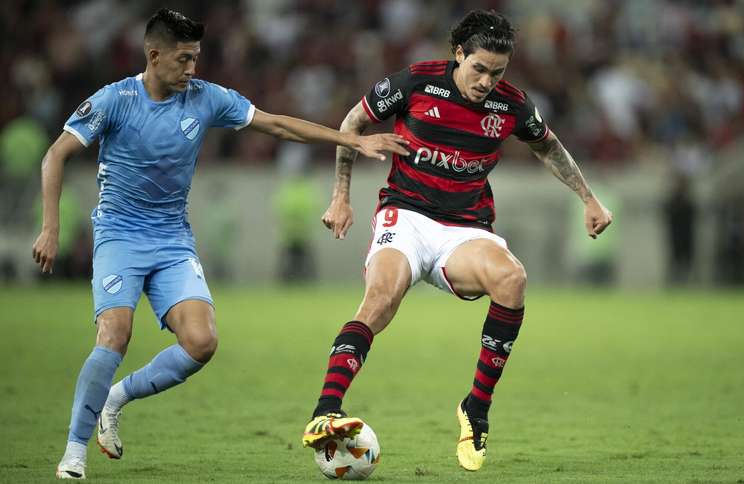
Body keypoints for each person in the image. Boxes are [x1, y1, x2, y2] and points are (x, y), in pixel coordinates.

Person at [32, 9, 408, 480]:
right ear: (155, 55)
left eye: (197, 58)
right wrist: (50, 227)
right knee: (115, 334)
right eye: (185, 59)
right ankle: (73, 450)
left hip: (171, 239)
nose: (193, 69)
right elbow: (55, 155)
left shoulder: (206, 98)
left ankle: (117, 396)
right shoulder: (115, 100)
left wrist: (349, 138)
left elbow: (277, 125)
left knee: (202, 342)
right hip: (120, 234)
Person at [301, 9, 612, 472]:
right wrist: (341, 196)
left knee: (512, 279)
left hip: (465, 229)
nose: (487, 81)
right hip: (405, 216)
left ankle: (476, 409)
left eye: (498, 72)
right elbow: (351, 123)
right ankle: (325, 411)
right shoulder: (416, 82)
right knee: (380, 301)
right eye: (479, 68)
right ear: (459, 54)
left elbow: (548, 144)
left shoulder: (512, 105)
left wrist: (588, 197)